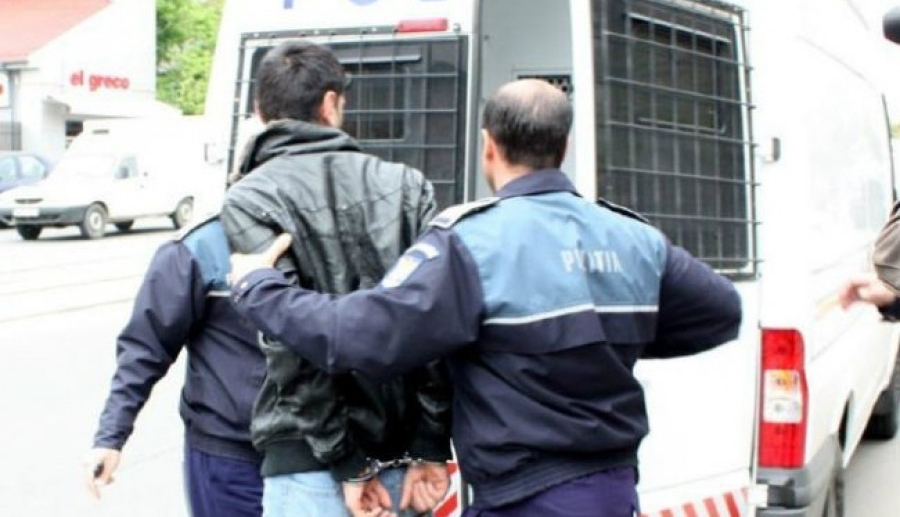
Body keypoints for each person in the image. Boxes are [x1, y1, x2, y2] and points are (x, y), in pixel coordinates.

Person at [226, 79, 744, 517]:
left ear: (488, 145)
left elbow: (358, 337)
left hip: (526, 499)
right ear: (563, 146)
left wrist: (259, 286)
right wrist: (608, 331)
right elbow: (722, 312)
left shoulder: (471, 244)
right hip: (611, 492)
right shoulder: (633, 238)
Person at [219, 40, 452, 517]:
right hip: (402, 459)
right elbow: (434, 325)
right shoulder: (407, 186)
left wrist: (347, 461)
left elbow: (288, 344)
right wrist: (430, 442)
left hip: (306, 460)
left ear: (261, 112)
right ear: (331, 104)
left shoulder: (249, 198)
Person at [84, 214, 266, 517]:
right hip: (231, 454)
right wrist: (110, 435)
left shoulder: (327, 229)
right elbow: (146, 348)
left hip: (319, 455)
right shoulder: (201, 245)